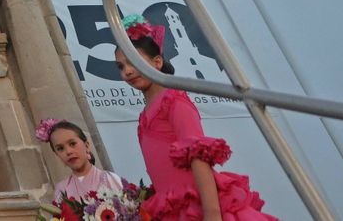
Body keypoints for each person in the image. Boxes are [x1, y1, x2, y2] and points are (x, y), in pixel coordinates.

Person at [115, 14, 278, 221]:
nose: (127, 71)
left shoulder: (174, 100)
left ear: (157, 62)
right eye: (121, 66)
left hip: (198, 206)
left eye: (133, 62)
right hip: (172, 209)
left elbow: (198, 157)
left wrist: (212, 214)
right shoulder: (145, 116)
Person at [35, 117, 123, 202]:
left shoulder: (108, 179)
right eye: (60, 148)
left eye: (72, 144)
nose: (68, 151)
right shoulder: (61, 190)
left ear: (87, 146)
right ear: (57, 155)